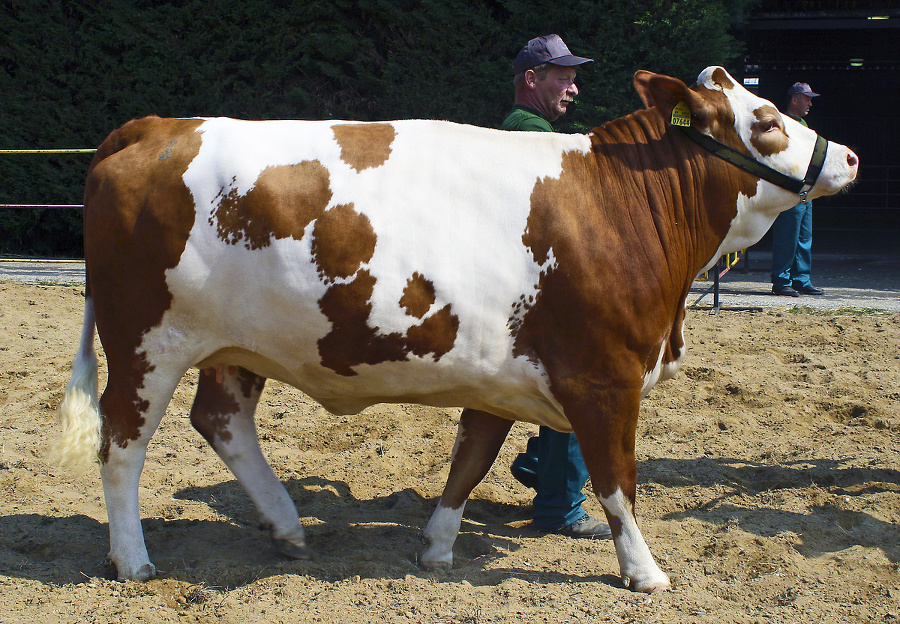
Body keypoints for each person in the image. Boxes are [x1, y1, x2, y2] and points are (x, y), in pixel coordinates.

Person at [501, 34, 611, 540]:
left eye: (573, 77)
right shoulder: (528, 131)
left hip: (528, 283)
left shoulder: (530, 129)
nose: (573, 87)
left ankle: (538, 465)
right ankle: (560, 504)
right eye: (563, 77)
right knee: (578, 378)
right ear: (532, 79)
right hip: (539, 286)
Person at [770, 82, 825, 297]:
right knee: (788, 233)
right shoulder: (783, 123)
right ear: (795, 99)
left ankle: (802, 279)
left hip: (806, 187)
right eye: (807, 98)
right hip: (792, 187)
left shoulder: (802, 122)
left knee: (803, 235)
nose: (810, 103)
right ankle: (781, 280)